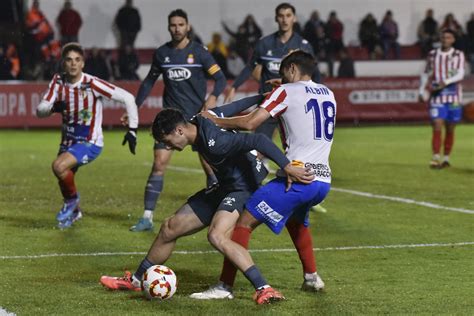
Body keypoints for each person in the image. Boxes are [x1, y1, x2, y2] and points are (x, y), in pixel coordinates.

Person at [99, 98, 313, 304]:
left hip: (244, 188)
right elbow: (233, 106)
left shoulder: (216, 143)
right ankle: (136, 280)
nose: (169, 147)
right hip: (225, 186)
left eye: (168, 142)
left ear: (179, 131)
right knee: (170, 227)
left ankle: (264, 289)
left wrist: (287, 166)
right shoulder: (201, 117)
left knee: (217, 235)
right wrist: (262, 96)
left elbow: (259, 140)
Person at [191, 51, 335, 303]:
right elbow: (302, 106)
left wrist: (214, 120)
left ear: (291, 69)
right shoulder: (327, 93)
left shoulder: (286, 93)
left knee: (243, 222)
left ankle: (225, 286)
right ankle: (312, 277)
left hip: (297, 176)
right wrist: (284, 89)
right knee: (296, 221)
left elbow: (250, 123)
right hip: (322, 180)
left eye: (282, 72)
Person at [128, 9, 226, 232]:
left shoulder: (200, 52)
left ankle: (216, 212)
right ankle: (147, 217)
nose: (177, 28)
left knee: (210, 167)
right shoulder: (162, 53)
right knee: (159, 164)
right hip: (170, 121)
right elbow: (148, 82)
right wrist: (134, 107)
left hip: (196, 120)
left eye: (181, 24)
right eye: (173, 25)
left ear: (188, 26)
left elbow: (220, 78)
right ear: (168, 27)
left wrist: (212, 98)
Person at [36, 42, 139, 229]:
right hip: (67, 141)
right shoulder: (58, 81)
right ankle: (76, 212)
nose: (73, 64)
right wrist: (52, 108)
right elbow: (40, 110)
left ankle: (71, 202)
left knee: (59, 166)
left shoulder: (92, 83)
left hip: (90, 142)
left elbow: (128, 98)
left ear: (83, 63)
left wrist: (132, 130)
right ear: (63, 63)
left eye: (77, 60)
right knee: (64, 174)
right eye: (69, 60)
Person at [225, 3, 319, 151]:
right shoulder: (264, 43)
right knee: (257, 145)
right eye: (281, 16)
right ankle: (262, 163)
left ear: (294, 18)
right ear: (276, 18)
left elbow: (313, 75)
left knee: (297, 148)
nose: (284, 20)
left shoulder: (304, 46)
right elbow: (250, 66)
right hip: (269, 100)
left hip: (294, 104)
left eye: (288, 16)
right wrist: (234, 86)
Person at [418, 29, 465, 168]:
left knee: (450, 128)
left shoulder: (458, 54)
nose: (445, 40)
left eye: (448, 37)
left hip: (454, 96)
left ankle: (446, 158)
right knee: (437, 124)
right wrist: (421, 90)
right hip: (437, 97)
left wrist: (445, 82)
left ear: (453, 40)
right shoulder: (432, 55)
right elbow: (426, 73)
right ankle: (435, 157)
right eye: (443, 37)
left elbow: (460, 74)